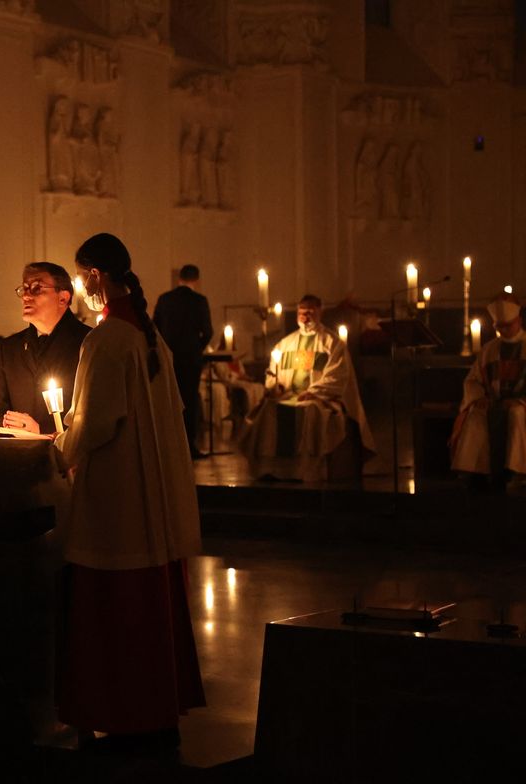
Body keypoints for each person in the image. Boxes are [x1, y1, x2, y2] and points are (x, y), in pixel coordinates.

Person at [55, 232, 204, 743]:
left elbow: (97, 424)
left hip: (118, 496)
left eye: (78, 277)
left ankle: (119, 708)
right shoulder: (147, 333)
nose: (79, 287)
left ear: (94, 275)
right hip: (150, 492)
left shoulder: (106, 339)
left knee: (114, 608)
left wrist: (57, 447)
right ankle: (153, 708)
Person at [237, 294, 375, 480]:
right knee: (267, 410)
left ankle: (304, 471)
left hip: (321, 400)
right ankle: (270, 469)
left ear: (320, 312)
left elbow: (337, 376)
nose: (305, 316)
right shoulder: (285, 344)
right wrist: (274, 386)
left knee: (310, 411)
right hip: (286, 396)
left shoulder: (332, 344)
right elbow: (272, 372)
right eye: (301, 312)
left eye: (310, 312)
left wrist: (313, 393)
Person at [0, 262, 91, 434]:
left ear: (63, 298)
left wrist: (41, 431)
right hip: (17, 454)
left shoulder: (87, 342)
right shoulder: (10, 348)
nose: (26, 296)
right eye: (24, 289)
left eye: (36, 289)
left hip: (68, 454)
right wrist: (13, 427)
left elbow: (94, 412)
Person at [451, 293, 526, 493]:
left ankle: (518, 471)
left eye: (508, 325)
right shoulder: (490, 349)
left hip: (521, 405)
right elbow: (472, 380)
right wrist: (479, 397)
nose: (503, 330)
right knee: (476, 413)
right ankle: (474, 470)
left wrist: (520, 401)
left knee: (517, 414)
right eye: (499, 327)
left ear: (518, 320)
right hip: (494, 402)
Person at [153, 264, 214, 457]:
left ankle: (169, 446)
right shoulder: (199, 301)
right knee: (190, 401)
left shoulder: (165, 299)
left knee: (170, 401)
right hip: (191, 361)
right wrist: (197, 348)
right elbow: (208, 332)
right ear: (196, 280)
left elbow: (155, 329)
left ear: (179, 278)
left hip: (169, 359)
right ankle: (190, 445)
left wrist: (165, 350)